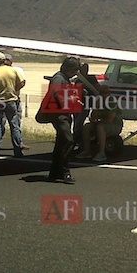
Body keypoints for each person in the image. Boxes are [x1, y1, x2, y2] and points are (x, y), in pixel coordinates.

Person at [47, 56, 80, 184]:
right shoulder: (59, 78)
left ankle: (54, 172)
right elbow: (55, 95)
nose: (76, 72)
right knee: (68, 141)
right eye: (75, 69)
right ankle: (64, 171)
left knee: (60, 143)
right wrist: (71, 99)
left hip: (64, 114)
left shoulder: (64, 78)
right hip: (59, 115)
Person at [0, 51, 24, 157]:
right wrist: (13, 90)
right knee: (14, 126)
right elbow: (22, 82)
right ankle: (17, 149)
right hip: (11, 100)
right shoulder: (13, 70)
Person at [76, 85, 123, 162]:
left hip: (115, 125)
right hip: (103, 123)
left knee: (100, 127)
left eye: (106, 93)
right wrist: (96, 108)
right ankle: (87, 151)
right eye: (102, 93)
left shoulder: (112, 102)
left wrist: (97, 122)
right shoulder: (99, 101)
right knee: (86, 127)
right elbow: (92, 118)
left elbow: (110, 120)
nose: (103, 95)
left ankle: (102, 153)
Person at [72, 62, 99, 153]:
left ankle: (80, 144)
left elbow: (97, 88)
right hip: (78, 104)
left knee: (79, 125)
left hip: (87, 104)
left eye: (84, 68)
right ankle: (79, 142)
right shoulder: (77, 80)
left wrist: (85, 85)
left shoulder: (91, 78)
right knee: (76, 124)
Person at [4, 53, 28, 150]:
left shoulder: (16, 70)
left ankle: (18, 144)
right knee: (11, 124)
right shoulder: (17, 70)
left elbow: (22, 82)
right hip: (12, 99)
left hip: (10, 99)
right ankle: (17, 145)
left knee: (15, 123)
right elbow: (22, 82)